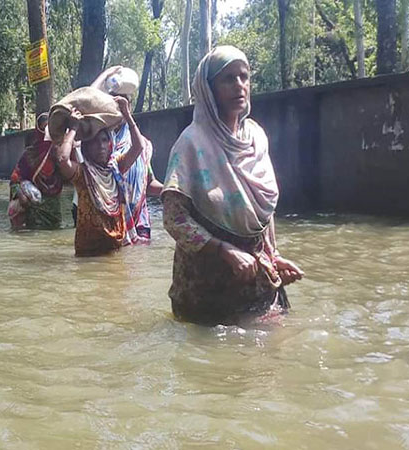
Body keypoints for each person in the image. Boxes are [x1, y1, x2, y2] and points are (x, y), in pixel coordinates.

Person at [162, 46, 304, 326]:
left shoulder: (256, 138)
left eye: (244, 76)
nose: (239, 85)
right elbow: (174, 219)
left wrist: (274, 256)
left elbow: (263, 212)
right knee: (211, 353)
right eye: (228, 79)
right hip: (205, 290)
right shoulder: (191, 143)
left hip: (257, 280)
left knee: (273, 346)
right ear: (209, 89)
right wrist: (223, 250)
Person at [55, 95, 146, 256]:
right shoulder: (82, 174)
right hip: (89, 253)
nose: (101, 146)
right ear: (86, 147)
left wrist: (127, 115)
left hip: (115, 249)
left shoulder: (115, 167)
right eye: (95, 142)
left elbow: (138, 147)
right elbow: (63, 159)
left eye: (104, 140)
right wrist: (73, 128)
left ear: (110, 144)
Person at [91, 66, 163, 243]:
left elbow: (148, 183)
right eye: (116, 101)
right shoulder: (98, 141)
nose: (121, 106)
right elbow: (86, 99)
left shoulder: (142, 144)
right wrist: (105, 75)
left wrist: (172, 190)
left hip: (138, 223)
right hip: (107, 221)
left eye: (125, 102)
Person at [9, 113, 63, 230]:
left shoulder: (60, 152)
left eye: (50, 128)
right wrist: (21, 195)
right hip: (33, 209)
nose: (47, 132)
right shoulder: (30, 154)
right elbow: (14, 180)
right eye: (44, 128)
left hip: (53, 210)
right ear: (38, 130)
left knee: (54, 236)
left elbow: (71, 175)